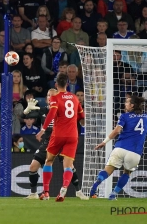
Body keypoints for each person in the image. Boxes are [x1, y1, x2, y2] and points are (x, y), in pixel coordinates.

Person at [24, 90, 88, 200]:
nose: (51, 97)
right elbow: (25, 115)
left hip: (60, 140)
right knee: (33, 166)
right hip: (48, 142)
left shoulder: (62, 109)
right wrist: (26, 110)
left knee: (70, 166)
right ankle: (34, 193)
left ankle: (78, 191)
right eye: (49, 95)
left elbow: (77, 118)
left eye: (52, 95)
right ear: (46, 98)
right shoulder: (42, 111)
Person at [36, 73, 85, 202]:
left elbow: (52, 113)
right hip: (72, 135)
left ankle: (46, 192)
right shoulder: (74, 98)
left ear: (56, 84)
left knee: (49, 161)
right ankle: (63, 189)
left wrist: (43, 129)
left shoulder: (55, 97)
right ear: (67, 84)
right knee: (68, 166)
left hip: (58, 134)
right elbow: (82, 117)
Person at [90, 96, 147, 200]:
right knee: (127, 172)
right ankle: (113, 194)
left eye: (127, 102)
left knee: (107, 170)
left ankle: (95, 185)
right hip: (135, 152)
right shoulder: (146, 117)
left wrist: (104, 142)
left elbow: (116, 131)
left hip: (120, 148)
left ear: (132, 105)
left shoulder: (124, 116)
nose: (125, 104)